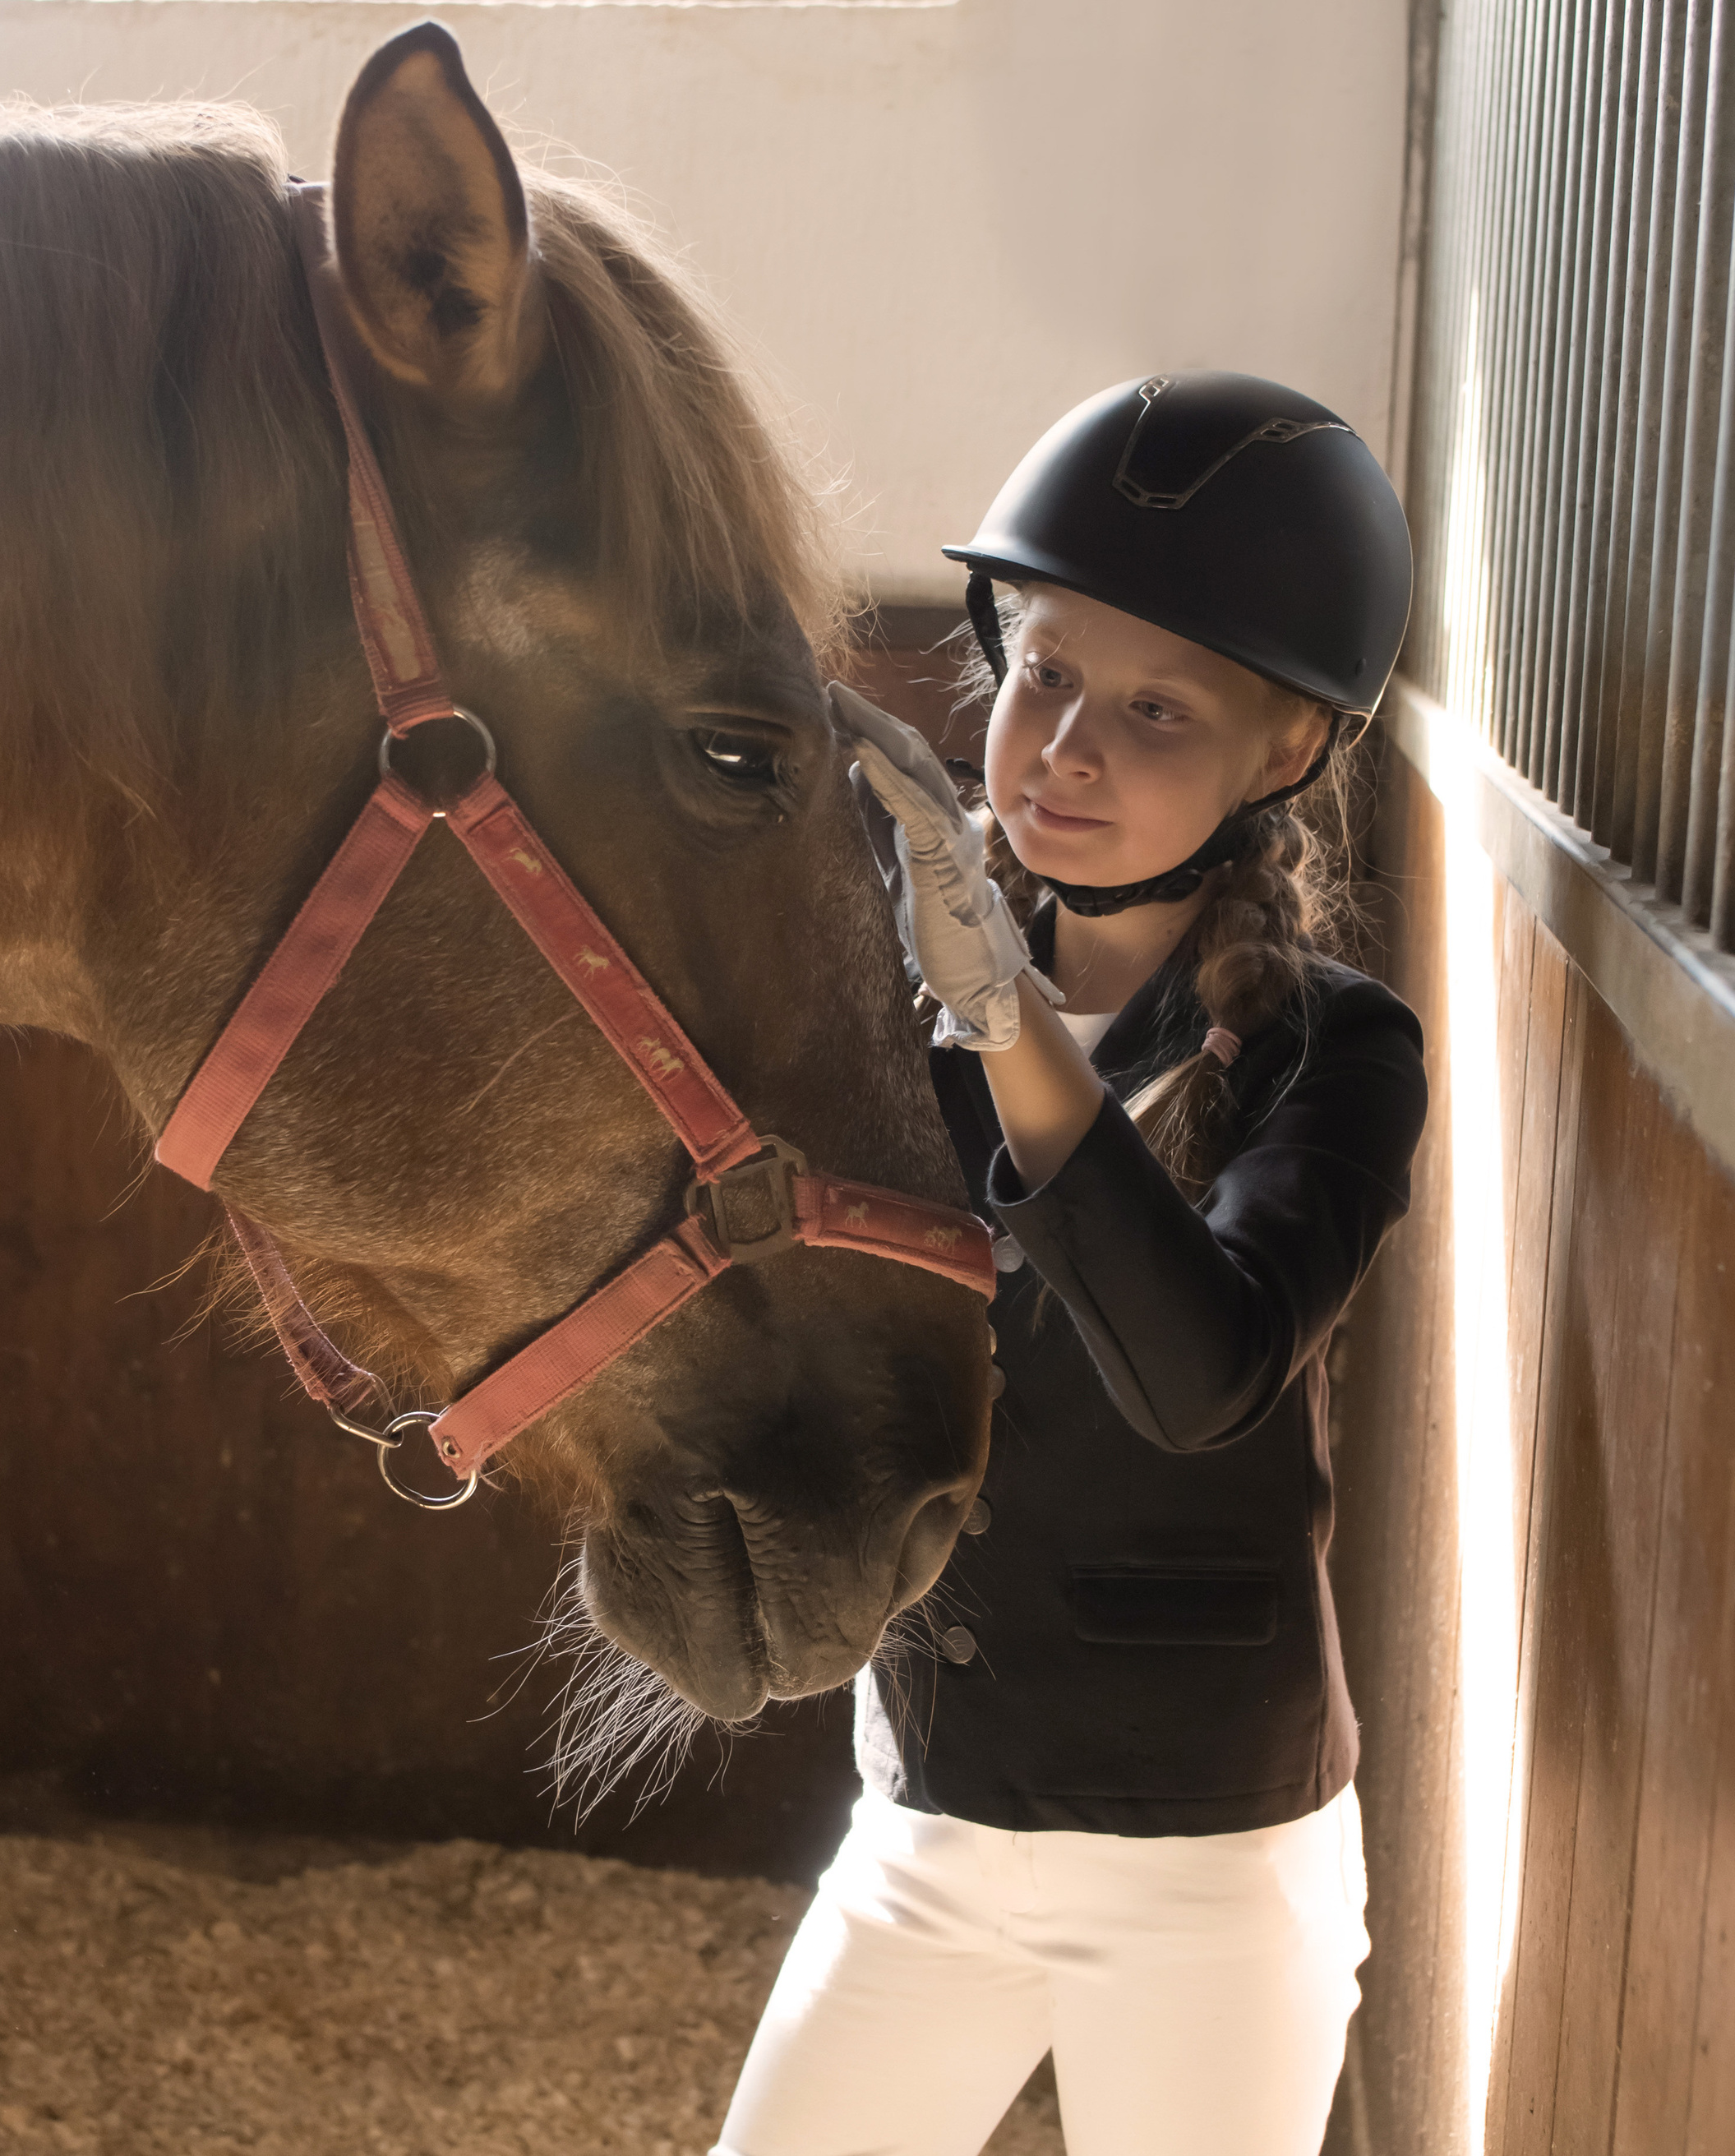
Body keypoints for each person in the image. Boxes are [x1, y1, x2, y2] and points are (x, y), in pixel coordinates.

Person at [712, 372, 1428, 2156]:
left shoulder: (1335, 1052)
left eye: (1153, 708)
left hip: (1204, 1857)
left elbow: (1202, 1375)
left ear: (1285, 752)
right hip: (929, 1817)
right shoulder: (896, 1002)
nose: (1063, 748)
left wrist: (1000, 1013)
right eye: (1040, 672)